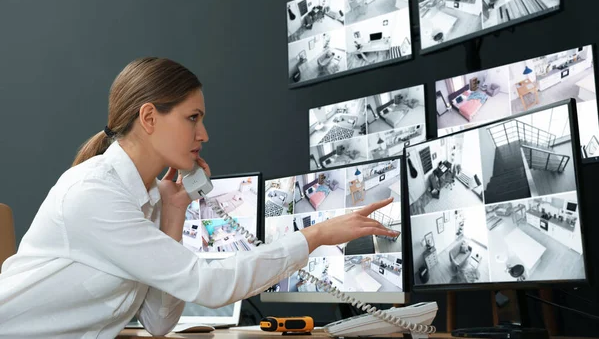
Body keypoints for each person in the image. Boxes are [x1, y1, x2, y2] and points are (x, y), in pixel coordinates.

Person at [0, 57, 399, 338]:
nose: (203, 134)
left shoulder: (147, 200)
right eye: (193, 118)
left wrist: (173, 213)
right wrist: (314, 236)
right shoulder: (94, 194)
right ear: (150, 118)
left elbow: (158, 322)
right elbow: (207, 285)